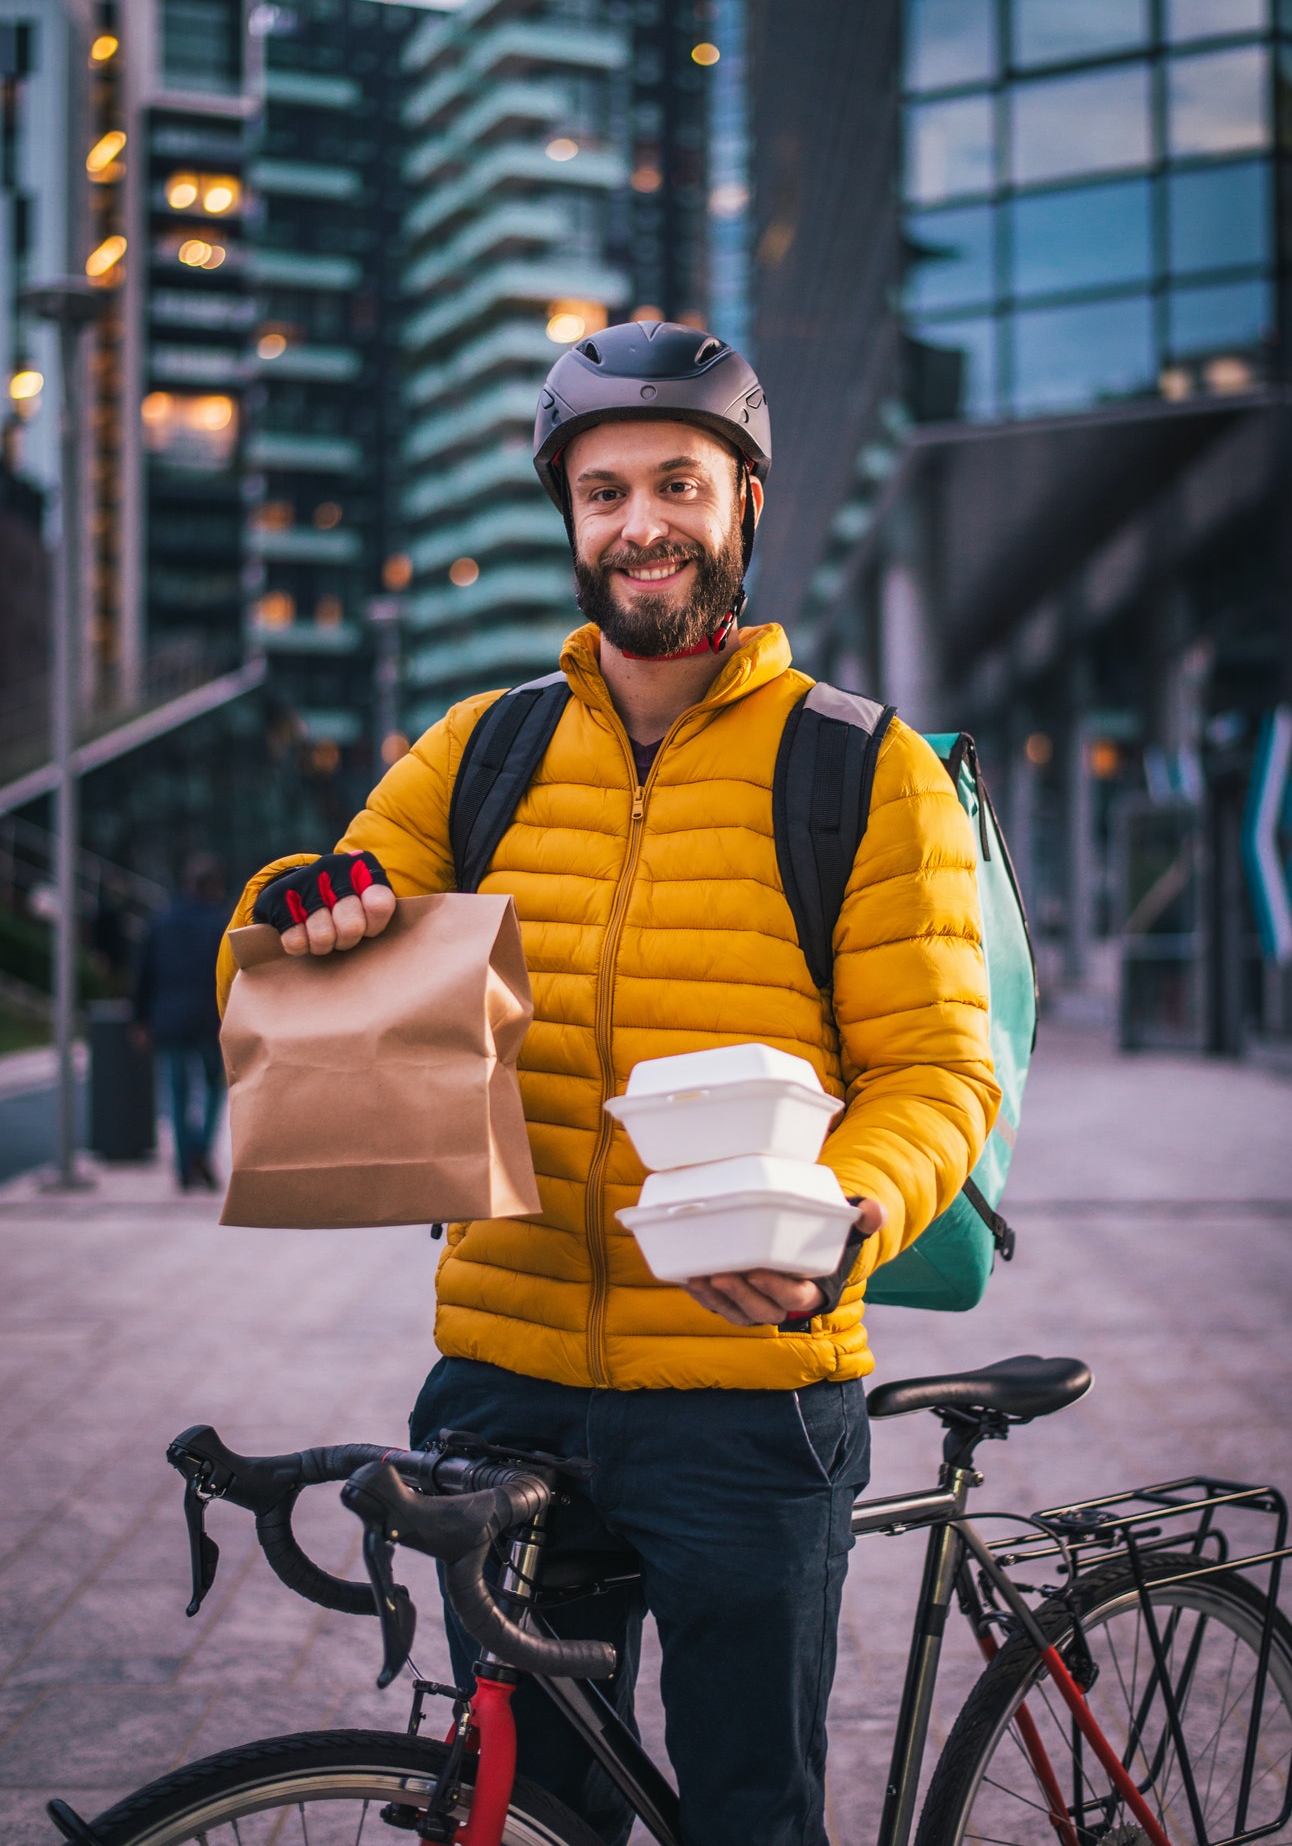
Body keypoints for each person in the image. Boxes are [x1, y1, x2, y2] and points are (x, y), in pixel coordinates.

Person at [216, 322, 999, 1846]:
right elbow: (337, 898)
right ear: (568, 521)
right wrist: (311, 900)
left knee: (745, 1814)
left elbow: (931, 1069)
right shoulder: (480, 750)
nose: (640, 523)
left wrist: (848, 1212)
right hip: (503, 1384)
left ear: (744, 505)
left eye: (678, 485)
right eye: (601, 492)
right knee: (523, 1809)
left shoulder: (859, 767)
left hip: (748, 1397)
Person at [135, 851, 229, 1192]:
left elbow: (143, 973)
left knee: (176, 1095)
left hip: (169, 1021)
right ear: (214, 887)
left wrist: (140, 1019)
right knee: (215, 1088)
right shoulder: (220, 924)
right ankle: (202, 1149)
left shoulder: (161, 921)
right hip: (210, 1022)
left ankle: (184, 1165)